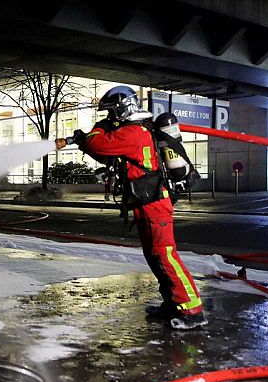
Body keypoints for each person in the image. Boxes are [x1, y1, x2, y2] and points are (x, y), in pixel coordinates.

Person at [56, 86, 206, 330]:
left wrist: (94, 132)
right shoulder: (133, 132)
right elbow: (105, 155)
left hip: (155, 203)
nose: (109, 118)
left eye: (111, 113)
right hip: (146, 202)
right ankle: (173, 303)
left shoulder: (134, 132)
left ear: (122, 109)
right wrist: (85, 141)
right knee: (154, 255)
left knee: (165, 254)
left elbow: (98, 144)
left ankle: (192, 308)